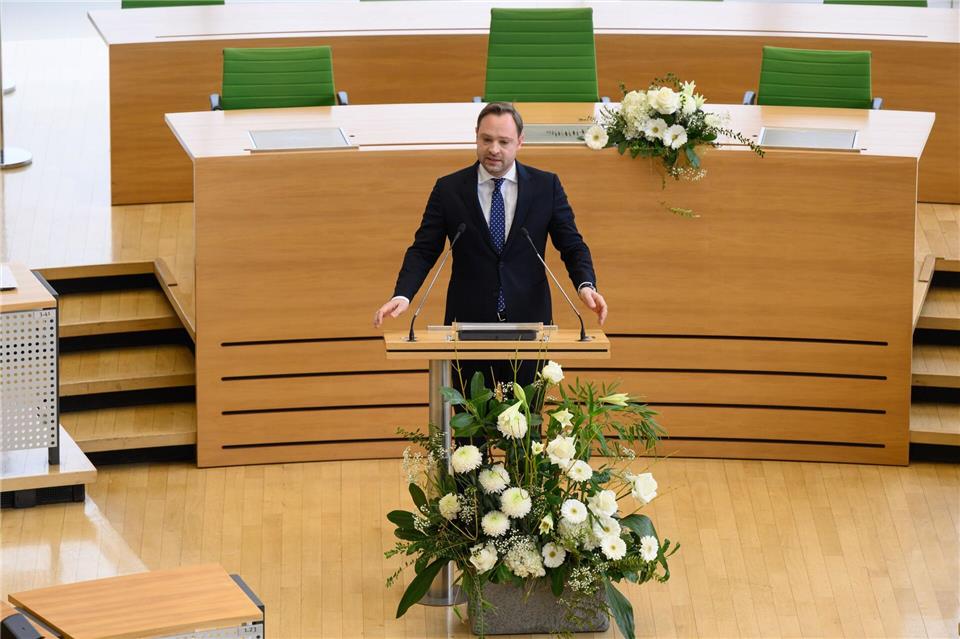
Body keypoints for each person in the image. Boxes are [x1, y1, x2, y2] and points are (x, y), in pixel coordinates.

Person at [373, 102, 607, 389]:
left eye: (503, 141)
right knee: (471, 429)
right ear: (476, 136)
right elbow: (424, 249)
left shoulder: (546, 186)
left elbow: (572, 244)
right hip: (468, 325)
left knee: (525, 426)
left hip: (529, 326)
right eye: (486, 140)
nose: (494, 149)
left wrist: (586, 284)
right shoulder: (449, 189)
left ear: (520, 142)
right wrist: (403, 294)